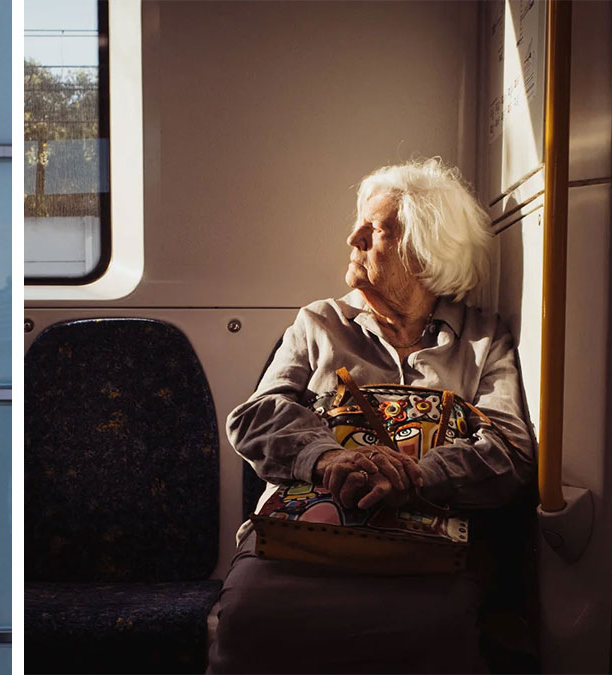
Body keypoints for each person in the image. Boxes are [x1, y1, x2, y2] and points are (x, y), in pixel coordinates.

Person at [209, 159, 535, 673]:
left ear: (426, 254)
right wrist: (327, 459)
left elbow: (511, 452)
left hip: (426, 555)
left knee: (441, 629)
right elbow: (255, 417)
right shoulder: (319, 321)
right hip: (302, 541)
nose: (352, 236)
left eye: (375, 228)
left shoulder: (482, 337)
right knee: (251, 618)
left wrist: (418, 474)